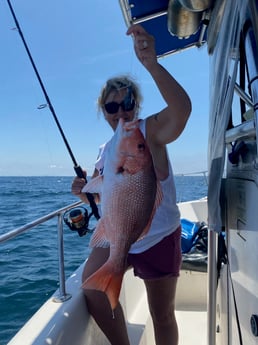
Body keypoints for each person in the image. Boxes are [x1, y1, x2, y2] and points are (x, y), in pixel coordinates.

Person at [71, 24, 191, 345]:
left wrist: (151, 64)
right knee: (93, 290)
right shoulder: (105, 151)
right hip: (119, 233)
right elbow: (109, 199)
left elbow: (181, 111)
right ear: (104, 111)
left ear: (136, 104)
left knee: (161, 313)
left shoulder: (147, 133)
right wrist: (83, 193)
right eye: (112, 106)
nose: (121, 111)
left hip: (158, 237)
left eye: (127, 103)